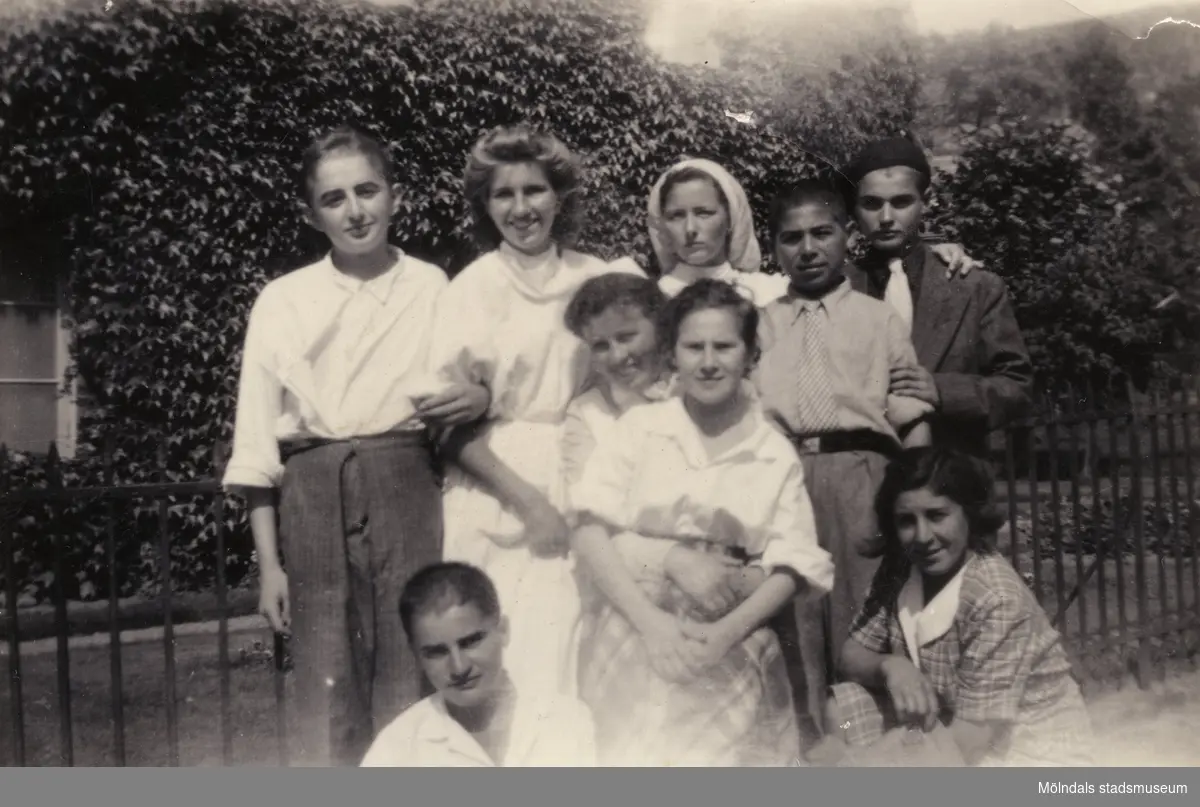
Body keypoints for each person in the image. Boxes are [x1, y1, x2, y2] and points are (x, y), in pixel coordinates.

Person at [222, 125, 488, 766]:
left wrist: (477, 396)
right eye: (334, 199)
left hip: (405, 480)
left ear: (395, 196)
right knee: (325, 677)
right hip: (313, 492)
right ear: (311, 214)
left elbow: (470, 386)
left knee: (413, 657)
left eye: (367, 190)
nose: (355, 210)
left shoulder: (432, 286)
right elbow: (257, 438)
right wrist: (271, 568)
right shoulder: (283, 300)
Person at [570, 279, 835, 766]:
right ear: (672, 354)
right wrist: (652, 625)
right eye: (693, 347)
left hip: (728, 630)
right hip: (636, 620)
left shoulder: (771, 450)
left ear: (750, 354)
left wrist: (723, 636)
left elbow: (793, 564)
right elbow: (589, 529)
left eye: (724, 346)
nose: (708, 362)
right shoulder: (641, 429)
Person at [430, 124, 642, 701]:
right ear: (485, 204)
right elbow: (447, 430)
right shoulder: (470, 289)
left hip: (582, 472)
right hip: (495, 489)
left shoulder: (595, 277)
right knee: (504, 661)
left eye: (535, 191)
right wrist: (530, 503)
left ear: (559, 195)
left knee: (578, 659)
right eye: (504, 195)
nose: (522, 209)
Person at [753, 179, 933, 738]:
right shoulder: (759, 324)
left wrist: (916, 490)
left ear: (847, 238)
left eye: (821, 233)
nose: (807, 249)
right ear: (774, 248)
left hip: (862, 475)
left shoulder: (878, 319)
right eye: (791, 238)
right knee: (796, 617)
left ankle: (881, 750)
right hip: (784, 478)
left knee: (865, 617)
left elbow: (911, 411)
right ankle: (813, 748)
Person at [814, 447, 1094, 767]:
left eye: (937, 516)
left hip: (1019, 749)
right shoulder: (901, 566)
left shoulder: (996, 599)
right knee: (843, 713)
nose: (922, 536)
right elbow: (850, 656)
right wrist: (890, 666)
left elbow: (968, 742)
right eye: (906, 521)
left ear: (969, 514)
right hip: (946, 723)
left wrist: (859, 764)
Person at [561, 273, 765, 683]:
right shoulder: (586, 416)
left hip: (727, 593)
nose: (618, 356)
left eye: (627, 336)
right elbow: (589, 533)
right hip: (633, 602)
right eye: (600, 345)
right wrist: (670, 564)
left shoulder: (713, 392)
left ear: (659, 326)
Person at [841, 137, 1034, 458]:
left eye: (901, 202)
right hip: (862, 478)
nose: (886, 217)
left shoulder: (973, 286)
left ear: (925, 201)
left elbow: (1017, 387)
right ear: (856, 210)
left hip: (951, 476)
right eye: (872, 203)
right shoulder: (838, 290)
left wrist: (943, 391)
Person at [647, 157, 981, 307]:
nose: (691, 229)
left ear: (730, 217)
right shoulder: (649, 300)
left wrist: (939, 252)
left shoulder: (771, 292)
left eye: (704, 213)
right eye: (676, 216)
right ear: (662, 225)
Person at [361, 562, 597, 767]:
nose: (459, 667)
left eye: (471, 642)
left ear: (503, 631)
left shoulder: (566, 721)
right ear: (416, 656)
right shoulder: (399, 749)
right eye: (437, 652)